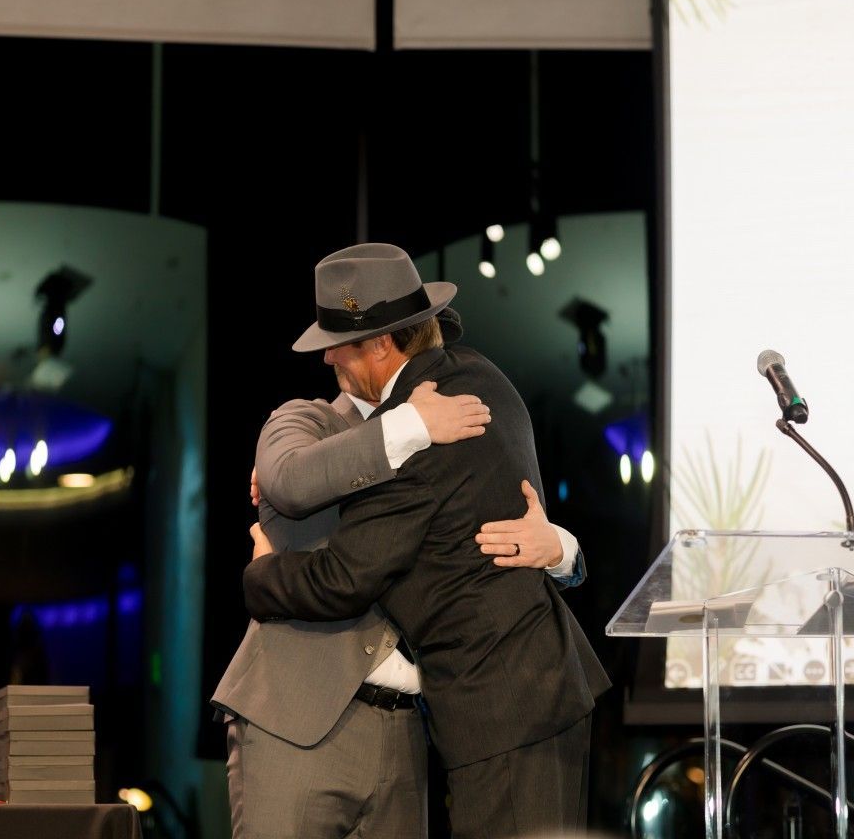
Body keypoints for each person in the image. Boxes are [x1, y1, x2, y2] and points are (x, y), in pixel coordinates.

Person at [243, 242, 610, 838]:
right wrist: (564, 549)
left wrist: (261, 573)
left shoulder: (422, 430)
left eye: (339, 342)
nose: (328, 356)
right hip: (541, 690)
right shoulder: (483, 376)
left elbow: (345, 578)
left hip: (501, 707)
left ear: (381, 344)